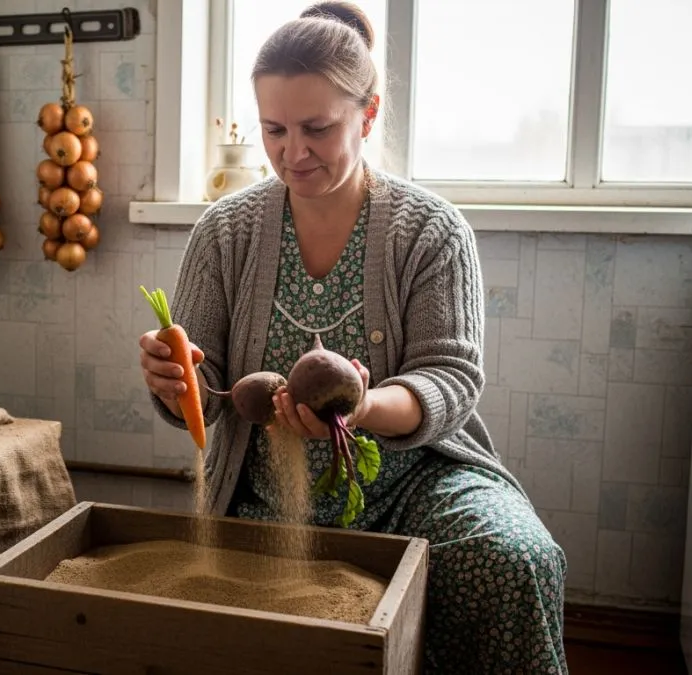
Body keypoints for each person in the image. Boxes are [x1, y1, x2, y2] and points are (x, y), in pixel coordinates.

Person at [139, 2, 567, 673]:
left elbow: (450, 377)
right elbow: (205, 390)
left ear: (366, 116)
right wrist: (175, 381)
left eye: (317, 128)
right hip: (265, 495)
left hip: (414, 484)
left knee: (519, 557)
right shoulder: (225, 232)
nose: (292, 151)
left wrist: (363, 410)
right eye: (274, 129)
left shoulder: (431, 230)